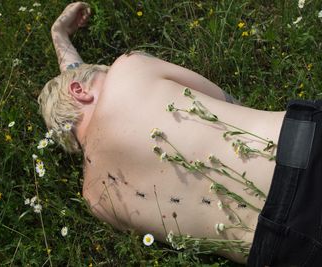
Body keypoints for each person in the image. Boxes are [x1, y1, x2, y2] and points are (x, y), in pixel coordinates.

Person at [38, 2, 322, 266]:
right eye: (104, 72)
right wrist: (59, 32)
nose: (110, 71)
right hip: (302, 153)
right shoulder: (128, 70)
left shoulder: (96, 199)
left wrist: (60, 36)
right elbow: (229, 103)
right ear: (79, 90)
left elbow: (76, 84)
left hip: (283, 249)